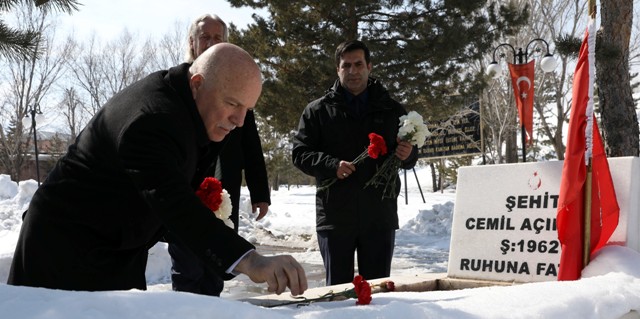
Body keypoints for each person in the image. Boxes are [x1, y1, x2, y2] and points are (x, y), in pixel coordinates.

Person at [7, 42, 307, 297]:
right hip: (65, 251)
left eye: (247, 109)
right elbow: (174, 202)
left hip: (116, 248)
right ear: (198, 83)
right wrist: (251, 262)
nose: (239, 121)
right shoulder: (153, 120)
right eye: (232, 104)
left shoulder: (197, 110)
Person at [292, 40, 418, 286]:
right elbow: (299, 153)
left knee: (379, 293)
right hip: (335, 216)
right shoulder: (317, 111)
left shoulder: (391, 110)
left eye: (358, 64)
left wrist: (409, 153)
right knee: (337, 296)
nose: (353, 71)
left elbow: (410, 156)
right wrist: (331, 165)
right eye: (346, 65)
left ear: (369, 67)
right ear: (337, 70)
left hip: (378, 216)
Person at [167, 13, 271, 297]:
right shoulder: (177, 86)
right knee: (187, 264)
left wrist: (261, 191)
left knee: (217, 265)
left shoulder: (236, 85)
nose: (211, 42)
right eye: (206, 37)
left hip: (223, 191)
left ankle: (212, 306)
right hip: (186, 189)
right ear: (192, 42)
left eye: (218, 38)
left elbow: (251, 143)